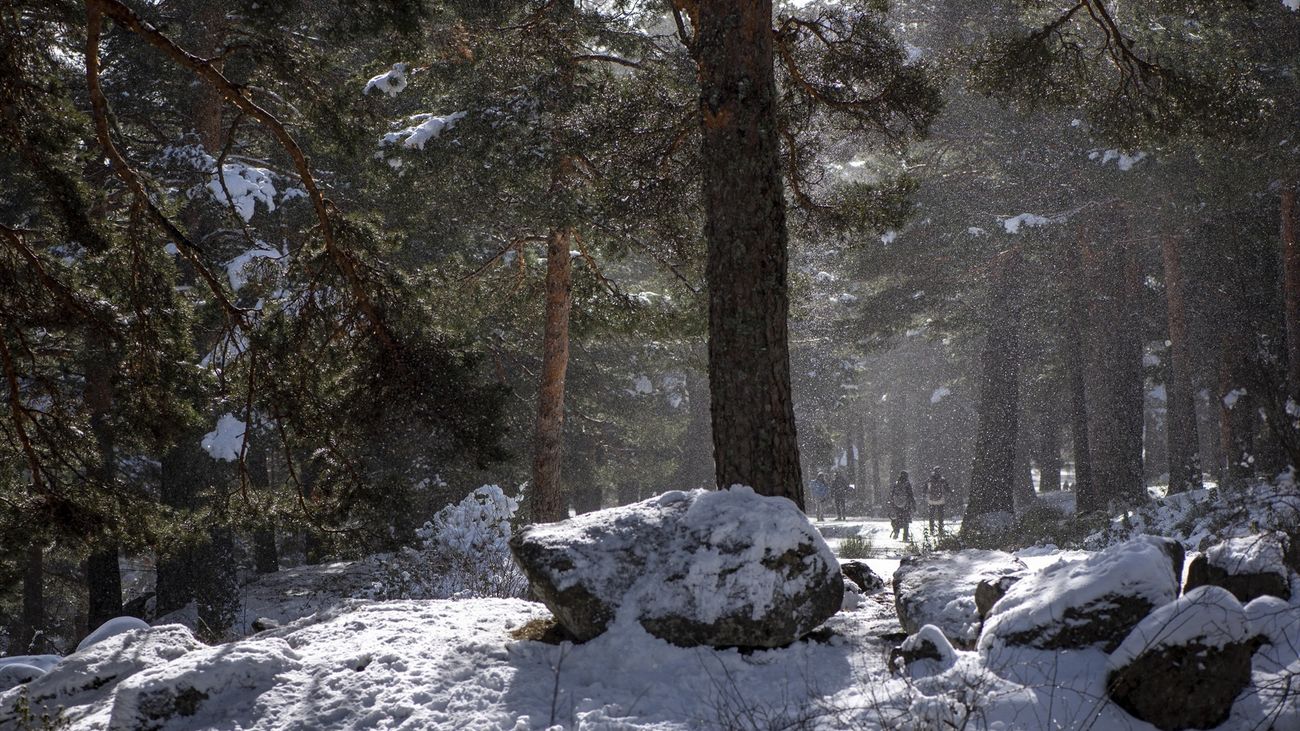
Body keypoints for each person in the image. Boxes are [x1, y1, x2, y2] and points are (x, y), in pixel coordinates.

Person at [889, 471, 916, 541]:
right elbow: (911, 495)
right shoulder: (907, 484)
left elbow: (892, 494)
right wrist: (913, 504)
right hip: (906, 505)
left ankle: (896, 531)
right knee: (906, 520)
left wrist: (892, 504)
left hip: (897, 505)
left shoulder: (896, 483)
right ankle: (905, 537)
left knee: (898, 519)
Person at [925, 466, 949, 534]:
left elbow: (925, 489)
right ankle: (940, 530)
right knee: (940, 516)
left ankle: (931, 530)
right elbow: (947, 488)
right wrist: (951, 492)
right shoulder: (942, 479)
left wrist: (925, 494)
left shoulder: (929, 479)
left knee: (931, 516)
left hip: (931, 500)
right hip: (941, 500)